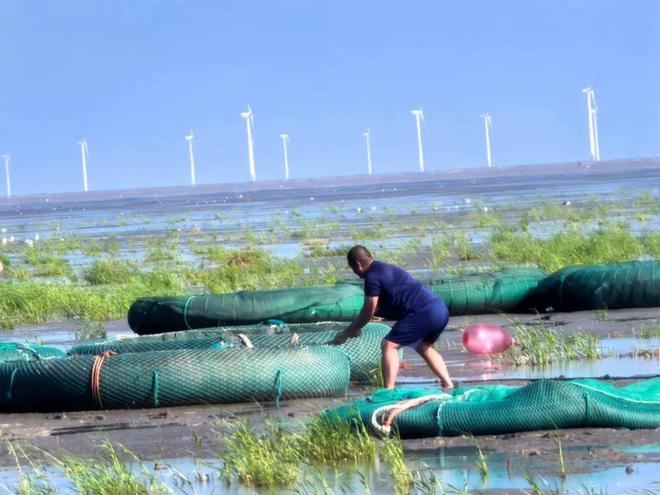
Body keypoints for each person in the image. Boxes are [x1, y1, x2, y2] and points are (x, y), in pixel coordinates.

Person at [333, 245, 454, 390]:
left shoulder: (372, 276)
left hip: (423, 312)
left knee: (388, 345)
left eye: (353, 269)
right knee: (424, 346)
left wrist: (352, 329)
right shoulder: (385, 268)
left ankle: (388, 391)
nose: (355, 273)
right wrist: (353, 328)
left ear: (358, 265)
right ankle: (448, 384)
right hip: (439, 308)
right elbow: (386, 302)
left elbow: (369, 308)